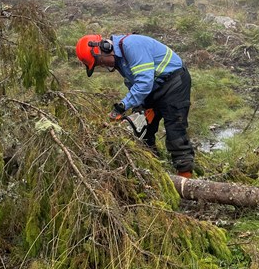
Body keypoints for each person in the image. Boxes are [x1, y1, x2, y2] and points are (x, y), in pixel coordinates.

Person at [75, 33, 194, 178]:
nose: (104, 66)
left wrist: (122, 106)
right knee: (142, 130)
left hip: (173, 83)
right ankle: (153, 172)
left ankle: (186, 178)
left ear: (104, 48)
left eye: (101, 62)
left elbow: (144, 83)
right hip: (153, 88)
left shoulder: (132, 45)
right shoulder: (120, 60)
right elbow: (134, 84)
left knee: (175, 129)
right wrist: (138, 110)